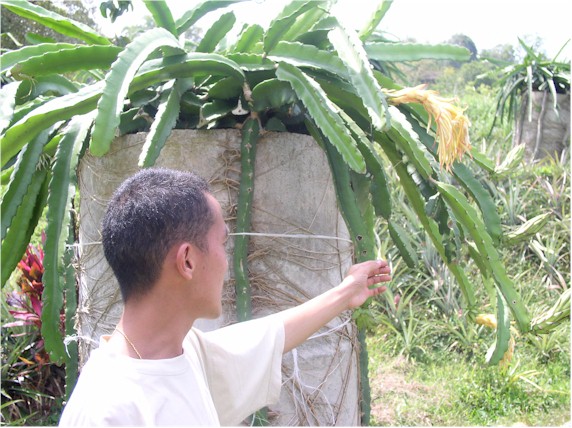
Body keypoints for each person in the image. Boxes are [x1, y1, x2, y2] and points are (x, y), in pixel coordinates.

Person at [59, 167, 391, 426]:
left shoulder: (185, 352)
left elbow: (268, 336)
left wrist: (347, 291)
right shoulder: (105, 412)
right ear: (188, 261)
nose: (226, 261)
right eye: (222, 242)